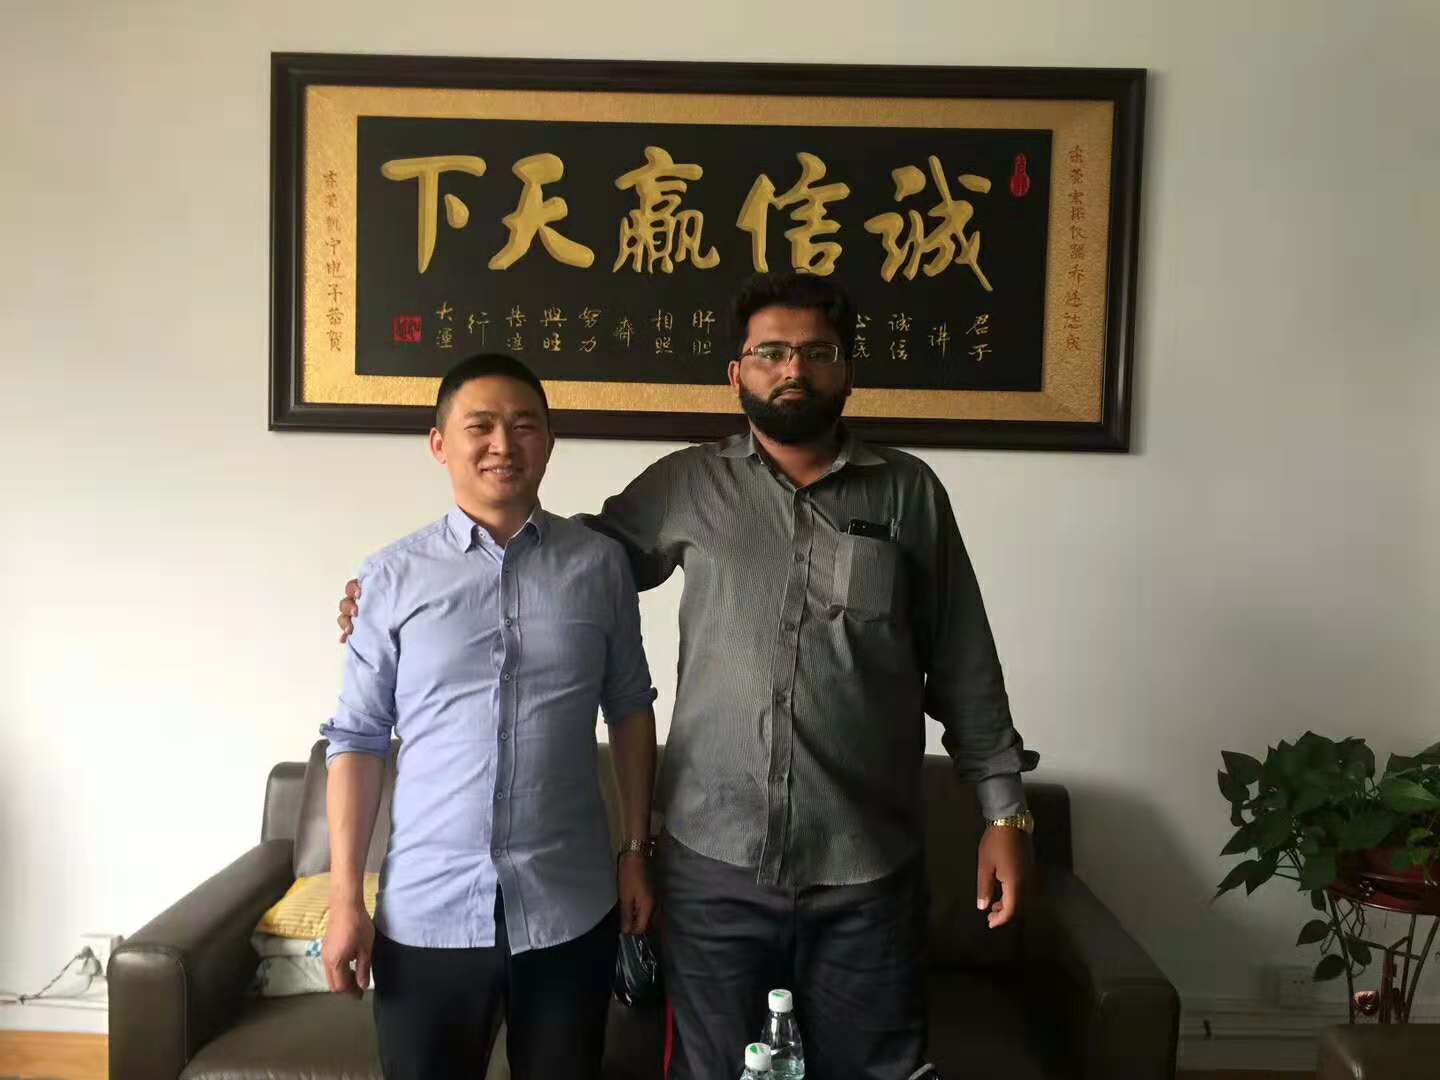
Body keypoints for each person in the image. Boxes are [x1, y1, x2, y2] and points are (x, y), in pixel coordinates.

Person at [338, 274, 1033, 1080]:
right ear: (737, 374)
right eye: (770, 353)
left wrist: (1005, 813)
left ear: (848, 370)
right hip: (714, 870)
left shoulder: (911, 494)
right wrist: (405, 591)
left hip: (866, 867)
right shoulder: (686, 485)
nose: (793, 370)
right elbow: (570, 558)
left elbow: (965, 661)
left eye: (817, 353)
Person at [322, 353, 658, 1080]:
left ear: (549, 442)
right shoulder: (390, 577)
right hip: (428, 912)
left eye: (524, 426)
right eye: (480, 426)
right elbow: (357, 739)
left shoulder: (599, 567)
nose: (503, 444)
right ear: (439, 443)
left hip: (570, 907)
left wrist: (636, 850)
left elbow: (631, 708)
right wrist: (345, 896)